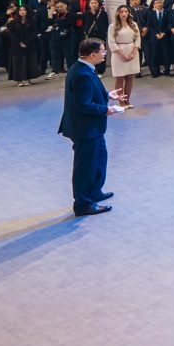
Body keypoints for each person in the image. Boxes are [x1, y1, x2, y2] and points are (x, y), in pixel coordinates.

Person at [59, 38, 122, 216]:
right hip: (85, 129)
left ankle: (94, 192)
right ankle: (83, 204)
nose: (105, 54)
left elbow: (88, 95)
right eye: (103, 51)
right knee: (85, 167)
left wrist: (107, 95)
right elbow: (83, 105)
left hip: (91, 128)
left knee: (99, 159)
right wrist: (106, 110)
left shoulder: (83, 68)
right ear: (93, 55)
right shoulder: (82, 74)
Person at [106, 4, 141, 108]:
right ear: (118, 13)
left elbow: (138, 39)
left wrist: (133, 52)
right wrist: (122, 55)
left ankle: (127, 101)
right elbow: (111, 42)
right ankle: (121, 102)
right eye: (121, 12)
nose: (124, 14)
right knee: (120, 78)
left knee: (130, 78)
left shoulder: (133, 24)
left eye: (126, 11)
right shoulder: (112, 26)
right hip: (119, 53)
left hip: (132, 50)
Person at [8, 5, 39, 87]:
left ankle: (27, 78)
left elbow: (34, 33)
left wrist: (26, 42)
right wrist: (20, 42)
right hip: (17, 45)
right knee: (18, 62)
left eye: (24, 10)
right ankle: (19, 80)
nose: (22, 12)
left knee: (29, 61)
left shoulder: (32, 21)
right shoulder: (13, 22)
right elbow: (11, 34)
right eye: (21, 10)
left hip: (29, 44)